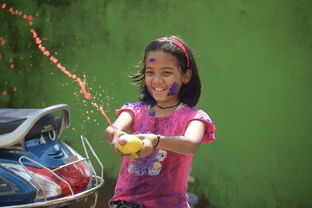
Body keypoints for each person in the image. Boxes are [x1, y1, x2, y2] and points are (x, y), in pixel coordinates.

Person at [105, 36, 216, 208]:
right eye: (150, 72)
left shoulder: (194, 117)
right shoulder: (134, 111)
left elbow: (190, 144)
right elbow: (112, 130)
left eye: (166, 72)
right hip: (124, 203)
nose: (156, 80)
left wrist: (154, 141)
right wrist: (116, 136)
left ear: (185, 76)